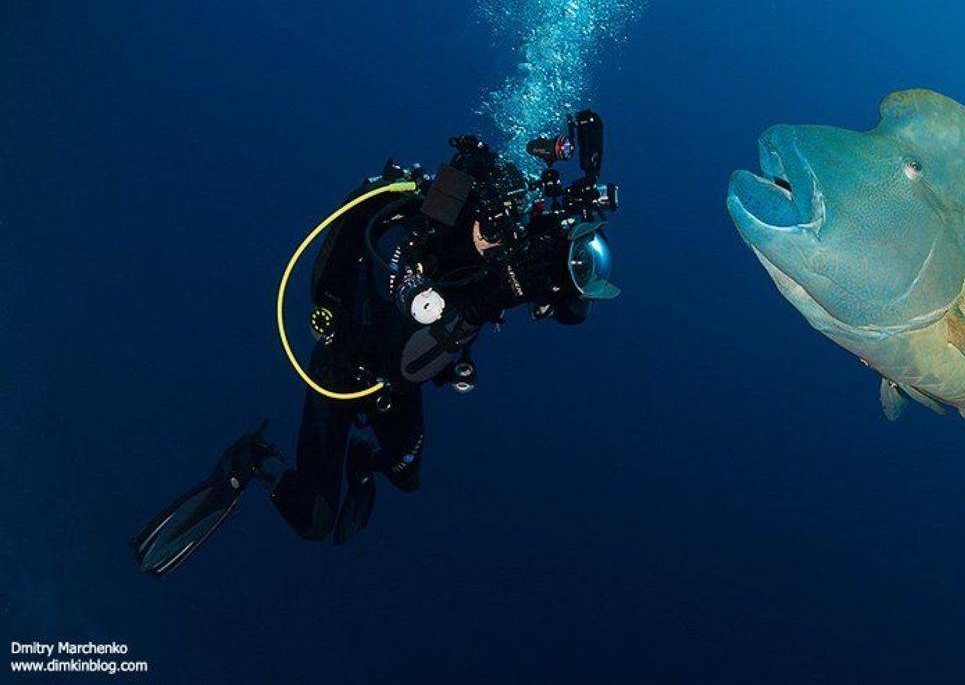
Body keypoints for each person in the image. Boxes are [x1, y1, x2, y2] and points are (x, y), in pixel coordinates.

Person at [132, 112, 620, 578]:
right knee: (316, 521)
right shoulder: (412, 239)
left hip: (397, 385)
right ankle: (255, 461)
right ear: (474, 208)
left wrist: (544, 267)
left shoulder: (500, 257)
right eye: (491, 226)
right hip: (346, 369)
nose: (497, 241)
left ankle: (364, 463)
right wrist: (479, 304)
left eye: (507, 229)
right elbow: (411, 361)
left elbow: (555, 297)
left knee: (407, 473)